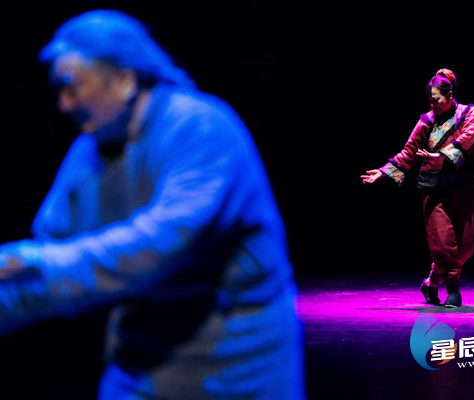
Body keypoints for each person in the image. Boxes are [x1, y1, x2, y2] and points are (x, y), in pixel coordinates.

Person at [0, 10, 305, 400]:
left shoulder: (200, 126)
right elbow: (46, 256)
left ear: (124, 80)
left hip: (241, 359)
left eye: (71, 87)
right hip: (142, 359)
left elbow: (163, 241)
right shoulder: (89, 152)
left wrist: (40, 261)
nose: (63, 104)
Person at [361, 68, 474, 308]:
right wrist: (384, 171)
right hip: (434, 188)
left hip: (464, 187)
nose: (432, 105)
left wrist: (442, 156)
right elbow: (409, 151)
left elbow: (470, 137)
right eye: (429, 101)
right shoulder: (426, 121)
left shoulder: (469, 113)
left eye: (436, 100)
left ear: (449, 95)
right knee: (443, 242)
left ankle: (432, 282)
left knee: (466, 247)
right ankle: (454, 290)